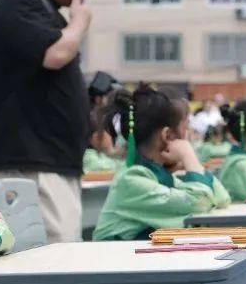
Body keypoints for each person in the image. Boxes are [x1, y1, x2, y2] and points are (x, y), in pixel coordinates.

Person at [0, 0, 113, 245]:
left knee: (58, 263)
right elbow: (55, 54)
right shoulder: (15, 2)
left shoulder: (45, 12)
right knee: (48, 268)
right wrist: (79, 23)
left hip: (49, 165)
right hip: (28, 166)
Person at [93, 84, 230, 241]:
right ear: (166, 135)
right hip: (115, 263)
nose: (189, 140)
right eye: (186, 130)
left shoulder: (157, 176)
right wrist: (189, 157)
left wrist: (191, 164)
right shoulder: (132, 180)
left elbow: (221, 197)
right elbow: (200, 203)